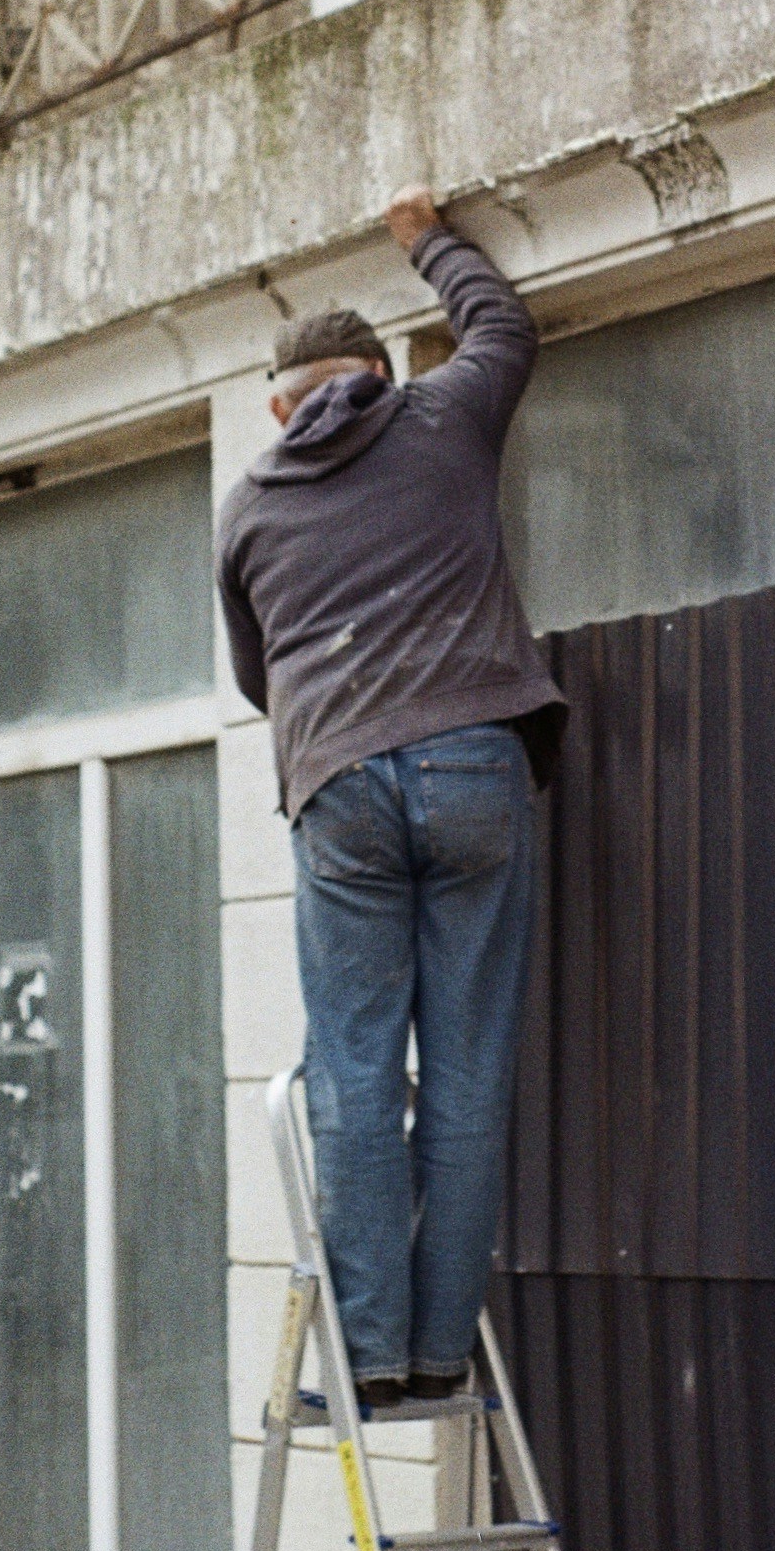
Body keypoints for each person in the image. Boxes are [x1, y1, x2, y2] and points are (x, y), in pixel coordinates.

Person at [217, 185, 564, 1407]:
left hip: (339, 781)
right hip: (475, 761)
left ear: (278, 405)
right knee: (465, 1069)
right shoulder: (440, 413)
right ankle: (436, 1347)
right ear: (378, 366)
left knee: (354, 1073)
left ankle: (367, 1357)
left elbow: (258, 674)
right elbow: (502, 327)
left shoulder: (251, 505)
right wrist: (426, 237)